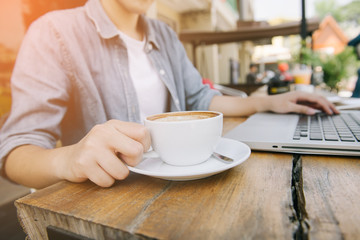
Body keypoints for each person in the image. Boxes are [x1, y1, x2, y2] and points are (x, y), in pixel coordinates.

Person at [0, 0, 338, 189]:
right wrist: (67, 158)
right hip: (105, 203)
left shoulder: (165, 33)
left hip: (181, 189)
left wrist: (267, 102)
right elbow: (15, 153)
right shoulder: (54, 32)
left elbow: (199, 100)